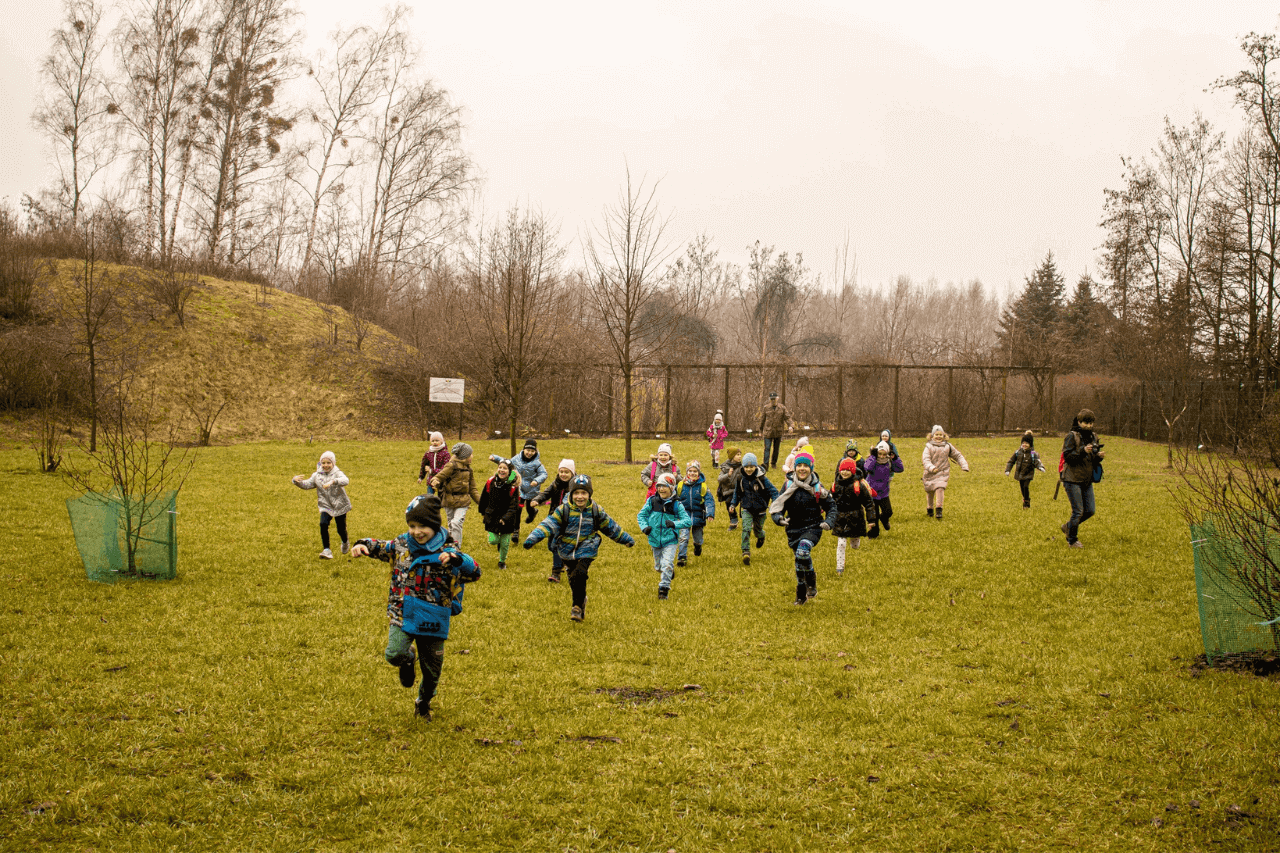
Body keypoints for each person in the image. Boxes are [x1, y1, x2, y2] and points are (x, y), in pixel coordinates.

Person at [350, 494, 481, 720]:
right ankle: (408, 658)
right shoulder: (403, 544)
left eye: (422, 526)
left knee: (432, 673)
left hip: (434, 617)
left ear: (434, 524)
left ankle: (423, 701)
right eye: (412, 526)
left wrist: (458, 561)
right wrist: (363, 544)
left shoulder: (449, 550)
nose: (416, 531)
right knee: (394, 654)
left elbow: (474, 572)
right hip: (403, 613)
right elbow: (383, 546)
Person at [523, 474, 635, 621]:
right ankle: (581, 601)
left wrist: (625, 539)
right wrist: (532, 539)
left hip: (588, 547)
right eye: (576, 493)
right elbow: (548, 524)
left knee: (580, 574)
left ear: (589, 494)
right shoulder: (563, 510)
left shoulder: (596, 510)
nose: (580, 497)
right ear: (571, 494)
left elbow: (611, 527)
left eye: (583, 493)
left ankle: (576, 607)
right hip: (566, 549)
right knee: (574, 581)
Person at [769, 450, 836, 605]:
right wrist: (778, 518)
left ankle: (811, 581)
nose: (802, 469)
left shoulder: (817, 487)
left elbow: (832, 506)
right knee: (800, 560)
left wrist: (829, 522)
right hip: (793, 529)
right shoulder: (788, 485)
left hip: (813, 527)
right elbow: (777, 505)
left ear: (811, 468)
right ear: (794, 468)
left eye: (806, 466)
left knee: (803, 551)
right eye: (799, 465)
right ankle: (801, 592)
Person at [638, 473, 692, 600]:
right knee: (659, 567)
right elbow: (641, 515)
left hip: (670, 540)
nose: (661, 489)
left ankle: (664, 589)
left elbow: (687, 521)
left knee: (667, 564)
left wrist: (674, 524)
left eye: (664, 486)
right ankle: (668, 571)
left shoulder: (676, 505)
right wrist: (645, 527)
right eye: (659, 486)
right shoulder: (652, 501)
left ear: (671, 488)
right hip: (654, 538)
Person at [292, 450, 351, 559]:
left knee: (340, 529)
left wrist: (334, 482)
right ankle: (327, 550)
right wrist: (296, 481)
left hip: (339, 505)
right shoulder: (316, 475)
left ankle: (345, 541)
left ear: (333, 463)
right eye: (323, 463)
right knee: (323, 524)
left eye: (328, 463)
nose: (326, 465)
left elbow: (345, 480)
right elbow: (307, 485)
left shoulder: (337, 473)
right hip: (325, 505)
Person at [1060, 409, 1105, 549]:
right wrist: (1083, 451)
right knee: (1078, 511)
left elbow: (1091, 458)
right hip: (1071, 478)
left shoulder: (1093, 436)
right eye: (1086, 422)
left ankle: (1068, 526)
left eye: (1091, 423)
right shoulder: (1071, 436)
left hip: (1086, 479)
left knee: (1090, 510)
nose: (1089, 425)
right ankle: (1072, 540)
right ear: (1079, 422)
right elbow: (1068, 457)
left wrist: (1098, 456)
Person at [728, 452, 779, 565]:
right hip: (746, 508)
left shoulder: (762, 479)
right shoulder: (740, 479)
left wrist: (775, 504)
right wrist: (732, 504)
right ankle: (745, 551)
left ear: (755, 466)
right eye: (746, 467)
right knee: (746, 528)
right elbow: (737, 493)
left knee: (757, 530)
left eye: (751, 467)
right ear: (743, 466)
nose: (749, 469)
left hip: (760, 510)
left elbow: (774, 492)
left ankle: (761, 536)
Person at [530, 459, 576, 582]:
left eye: (566, 472)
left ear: (572, 473)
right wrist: (537, 499)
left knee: (556, 546)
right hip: (554, 519)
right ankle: (564, 561)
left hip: (567, 521)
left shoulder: (575, 487)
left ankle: (556, 573)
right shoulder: (555, 484)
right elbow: (546, 493)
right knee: (551, 546)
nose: (563, 474)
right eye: (561, 471)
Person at [831, 457, 878, 574]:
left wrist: (871, 519)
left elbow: (868, 502)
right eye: (843, 469)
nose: (845, 472)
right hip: (840, 517)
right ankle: (839, 568)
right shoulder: (835, 485)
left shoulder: (859, 485)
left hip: (856, 517)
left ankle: (855, 539)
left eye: (848, 470)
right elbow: (829, 500)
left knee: (855, 544)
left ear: (852, 471)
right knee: (841, 543)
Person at [430, 443, 480, 546]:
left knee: (456, 523)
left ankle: (456, 548)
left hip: (463, 501)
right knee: (451, 525)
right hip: (449, 500)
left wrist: (482, 502)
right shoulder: (451, 465)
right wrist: (435, 480)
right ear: (464, 456)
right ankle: (449, 546)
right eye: (470, 454)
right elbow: (441, 475)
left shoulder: (469, 470)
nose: (472, 456)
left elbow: (473, 489)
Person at [478, 459, 522, 570]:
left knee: (505, 542)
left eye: (505, 468)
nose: (501, 470)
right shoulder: (490, 481)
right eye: (500, 467)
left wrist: (505, 518)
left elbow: (514, 506)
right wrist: (482, 511)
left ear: (510, 471)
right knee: (492, 540)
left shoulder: (513, 487)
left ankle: (502, 561)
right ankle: (498, 544)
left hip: (507, 519)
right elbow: (484, 498)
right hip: (492, 516)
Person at [491, 439, 547, 525]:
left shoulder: (537, 463)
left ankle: (532, 513)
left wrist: (536, 480)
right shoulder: (516, 459)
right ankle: (516, 531)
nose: (529, 453)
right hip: (518, 488)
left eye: (532, 451)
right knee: (517, 509)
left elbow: (543, 474)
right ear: (524, 449)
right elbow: (507, 463)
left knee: (529, 507)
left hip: (531, 490)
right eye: (528, 450)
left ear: (535, 451)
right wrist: (495, 458)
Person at [921, 425, 969, 520]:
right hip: (930, 473)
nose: (938, 436)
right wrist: (931, 468)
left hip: (942, 472)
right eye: (936, 434)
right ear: (932, 436)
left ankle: (939, 509)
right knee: (930, 491)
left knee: (940, 488)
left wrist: (964, 465)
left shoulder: (948, 446)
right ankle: (930, 508)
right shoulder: (928, 447)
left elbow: (958, 456)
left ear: (944, 436)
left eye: (940, 435)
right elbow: (925, 459)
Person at [674, 460, 716, 567]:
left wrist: (710, 513)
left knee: (697, 538)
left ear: (699, 472)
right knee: (684, 537)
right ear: (687, 472)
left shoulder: (703, 486)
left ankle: (698, 546)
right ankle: (682, 558)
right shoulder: (680, 485)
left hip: (698, 515)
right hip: (684, 515)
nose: (692, 473)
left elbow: (709, 501)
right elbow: (674, 498)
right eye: (690, 471)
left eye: (695, 471)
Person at [862, 441, 904, 530]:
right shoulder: (872, 460)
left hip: (884, 492)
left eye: (884, 454)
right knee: (874, 515)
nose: (881, 456)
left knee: (888, 512)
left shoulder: (889, 462)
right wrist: (873, 456)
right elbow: (867, 468)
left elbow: (900, 469)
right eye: (879, 454)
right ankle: (874, 533)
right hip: (872, 492)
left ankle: (884, 519)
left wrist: (896, 458)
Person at [1005, 431, 1046, 509]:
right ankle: (1026, 499)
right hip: (1020, 474)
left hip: (1028, 474)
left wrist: (1041, 467)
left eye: (1027, 443)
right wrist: (1008, 470)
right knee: (1022, 489)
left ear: (1030, 444)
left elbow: (1037, 461)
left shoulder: (1033, 453)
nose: (1024, 445)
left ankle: (1026, 503)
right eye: (1023, 443)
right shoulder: (1018, 452)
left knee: (1025, 487)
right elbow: (1011, 461)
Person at [758, 392, 794, 471]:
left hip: (778, 432)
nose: (773, 401)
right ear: (769, 400)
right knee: (767, 448)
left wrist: (791, 426)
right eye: (771, 399)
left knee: (776, 449)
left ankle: (773, 463)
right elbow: (762, 419)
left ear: (777, 399)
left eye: (774, 399)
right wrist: (760, 429)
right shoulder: (766, 408)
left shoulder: (782, 408)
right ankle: (765, 464)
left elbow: (787, 417)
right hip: (768, 432)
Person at [717, 447, 744, 530]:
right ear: (732, 456)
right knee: (729, 502)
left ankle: (748, 521)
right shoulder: (725, 467)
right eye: (737, 455)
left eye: (740, 455)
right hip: (729, 491)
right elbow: (719, 479)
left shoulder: (743, 467)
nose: (739, 457)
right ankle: (733, 520)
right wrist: (728, 475)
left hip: (740, 490)